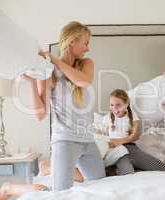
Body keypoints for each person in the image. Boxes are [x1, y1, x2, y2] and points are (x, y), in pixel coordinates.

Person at [23, 21, 106, 191]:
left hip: (88, 140)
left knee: (101, 189)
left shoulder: (86, 64)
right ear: (72, 42)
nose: (87, 48)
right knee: (60, 193)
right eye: (86, 43)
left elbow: (82, 81)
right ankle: (12, 187)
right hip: (65, 140)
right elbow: (40, 115)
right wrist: (32, 82)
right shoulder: (48, 71)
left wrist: (54, 59)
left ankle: (48, 168)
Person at [102, 89, 165, 175]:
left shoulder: (132, 115)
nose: (114, 108)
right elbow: (106, 139)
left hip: (131, 148)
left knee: (163, 168)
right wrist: (114, 143)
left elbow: (135, 136)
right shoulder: (107, 118)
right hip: (117, 152)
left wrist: (119, 141)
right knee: (128, 173)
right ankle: (117, 169)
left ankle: (135, 167)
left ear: (126, 104)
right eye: (112, 105)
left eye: (118, 105)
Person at [0, 160, 84, 200]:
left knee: (6, 188)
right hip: (45, 188)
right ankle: (46, 168)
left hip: (44, 189)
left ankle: (46, 168)